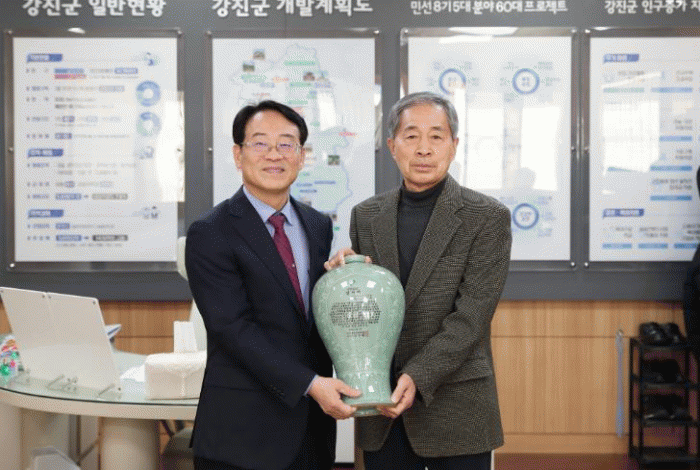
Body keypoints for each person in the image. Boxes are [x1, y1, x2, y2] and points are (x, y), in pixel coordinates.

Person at [326, 91, 512, 469]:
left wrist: (417, 374)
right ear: (392, 146)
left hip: (456, 408)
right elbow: (367, 307)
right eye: (411, 136)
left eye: (436, 136)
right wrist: (346, 277)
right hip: (381, 406)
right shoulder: (366, 215)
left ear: (454, 145)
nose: (424, 149)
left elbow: (472, 317)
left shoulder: (487, 216)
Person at [185, 100, 360, 470]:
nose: (274, 154)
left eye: (286, 144)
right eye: (260, 143)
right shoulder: (210, 232)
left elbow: (305, 314)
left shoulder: (317, 225)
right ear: (238, 155)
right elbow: (232, 329)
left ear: (301, 156)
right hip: (242, 434)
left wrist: (344, 279)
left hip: (312, 431)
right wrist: (312, 384)